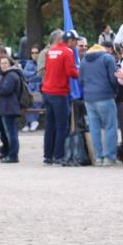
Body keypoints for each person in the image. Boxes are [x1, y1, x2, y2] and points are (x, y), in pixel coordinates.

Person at [79, 40, 119, 166]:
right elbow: (113, 78)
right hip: (105, 96)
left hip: (89, 98)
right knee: (110, 126)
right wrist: (114, 91)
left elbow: (80, 81)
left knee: (94, 128)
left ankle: (98, 157)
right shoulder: (107, 58)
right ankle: (109, 157)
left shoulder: (84, 60)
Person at [41, 30, 77, 166]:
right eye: (75, 41)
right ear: (71, 40)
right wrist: (80, 73)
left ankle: (48, 156)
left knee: (50, 125)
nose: (76, 43)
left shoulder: (50, 51)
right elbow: (70, 72)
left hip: (47, 91)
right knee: (62, 126)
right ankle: (59, 156)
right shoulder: (68, 52)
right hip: (59, 92)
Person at [0, 55, 22, 163]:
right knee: (6, 132)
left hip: (10, 108)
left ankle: (13, 156)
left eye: (5, 63)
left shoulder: (11, 75)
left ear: (10, 64)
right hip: (4, 108)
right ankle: (7, 152)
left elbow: (5, 90)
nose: (3, 65)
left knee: (11, 133)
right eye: (2, 63)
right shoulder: (5, 75)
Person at [21, 45, 42, 132]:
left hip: (39, 87)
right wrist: (35, 73)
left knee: (36, 100)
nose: (34, 54)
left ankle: (30, 122)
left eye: (36, 53)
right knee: (27, 101)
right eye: (32, 53)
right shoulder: (28, 63)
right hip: (30, 86)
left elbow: (40, 76)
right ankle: (31, 122)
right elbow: (24, 74)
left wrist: (32, 75)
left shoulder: (42, 62)